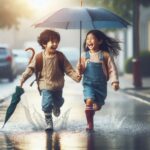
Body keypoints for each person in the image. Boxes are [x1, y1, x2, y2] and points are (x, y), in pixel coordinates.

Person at [20, 29, 81, 131]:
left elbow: (69, 69)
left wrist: (76, 77)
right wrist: (23, 78)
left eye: (56, 42)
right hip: (45, 85)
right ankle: (49, 122)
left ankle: (57, 106)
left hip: (58, 85)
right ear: (44, 44)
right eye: (52, 42)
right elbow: (30, 69)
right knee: (46, 103)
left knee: (59, 101)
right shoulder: (39, 57)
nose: (55, 44)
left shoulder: (60, 56)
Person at [77, 30, 120, 131]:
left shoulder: (105, 55)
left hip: (101, 86)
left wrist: (115, 81)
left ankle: (92, 112)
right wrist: (79, 69)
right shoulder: (84, 56)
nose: (89, 41)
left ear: (100, 41)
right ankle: (90, 124)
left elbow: (112, 69)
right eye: (87, 39)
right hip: (88, 85)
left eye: (92, 39)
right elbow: (81, 71)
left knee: (97, 107)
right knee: (89, 101)